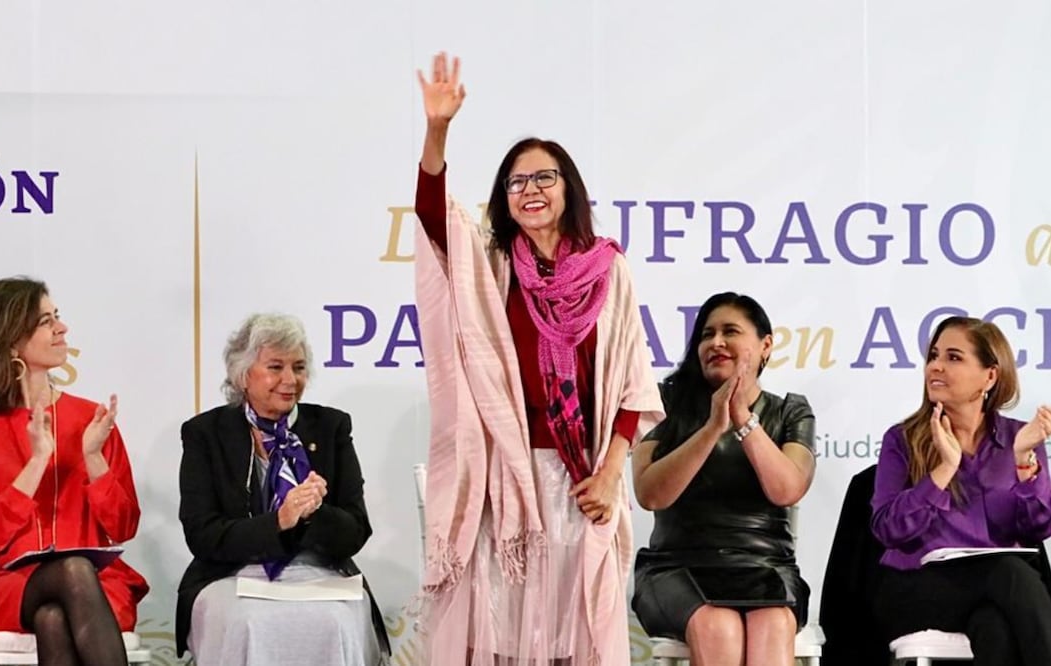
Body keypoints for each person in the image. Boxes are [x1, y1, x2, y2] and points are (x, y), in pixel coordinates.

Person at [410, 52, 663, 665]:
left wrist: (611, 474)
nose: (531, 191)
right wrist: (437, 130)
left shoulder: (610, 271)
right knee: (506, 638)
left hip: (585, 481)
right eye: (517, 182)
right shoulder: (493, 265)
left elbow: (632, 384)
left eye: (544, 178)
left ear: (569, 187)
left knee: (576, 639)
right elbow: (433, 219)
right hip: (508, 479)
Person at [175, 313, 389, 665]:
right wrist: (280, 520)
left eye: (299, 368)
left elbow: (356, 530)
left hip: (320, 572)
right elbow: (203, 535)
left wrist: (314, 514)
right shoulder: (205, 433)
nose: (290, 380)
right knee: (248, 622)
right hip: (231, 574)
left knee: (336, 621)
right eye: (275, 367)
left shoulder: (331, 426)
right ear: (243, 374)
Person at [631, 292, 816, 666]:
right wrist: (713, 427)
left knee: (774, 621)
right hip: (675, 567)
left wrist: (743, 419)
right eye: (707, 334)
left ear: (765, 346)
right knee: (718, 626)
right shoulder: (665, 402)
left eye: (730, 331)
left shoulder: (790, 411)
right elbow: (650, 494)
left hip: (766, 566)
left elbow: (787, 489)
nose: (716, 342)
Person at [0, 277, 148, 665]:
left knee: (52, 618)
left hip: (97, 585)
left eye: (58, 316)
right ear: (10, 341)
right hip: (7, 586)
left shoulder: (90, 418)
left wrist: (93, 457)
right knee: (73, 571)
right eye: (45, 321)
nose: (62, 328)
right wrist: (37, 462)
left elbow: (123, 525)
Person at [871, 316, 1051, 666]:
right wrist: (943, 470)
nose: (936, 366)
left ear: (990, 376)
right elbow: (887, 528)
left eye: (953, 357)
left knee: (995, 629)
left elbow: (1037, 528)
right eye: (933, 356)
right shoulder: (902, 439)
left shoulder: (1020, 438)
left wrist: (1022, 461)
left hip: (1000, 592)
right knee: (1011, 573)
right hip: (918, 588)